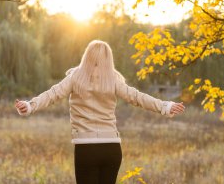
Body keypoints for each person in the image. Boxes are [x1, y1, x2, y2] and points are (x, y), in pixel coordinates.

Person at [15, 40, 186, 184]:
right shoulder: (113, 79)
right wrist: (165, 106)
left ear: (86, 56)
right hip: (112, 148)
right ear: (108, 59)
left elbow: (53, 94)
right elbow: (137, 97)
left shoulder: (75, 77)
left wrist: (30, 105)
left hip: (86, 149)